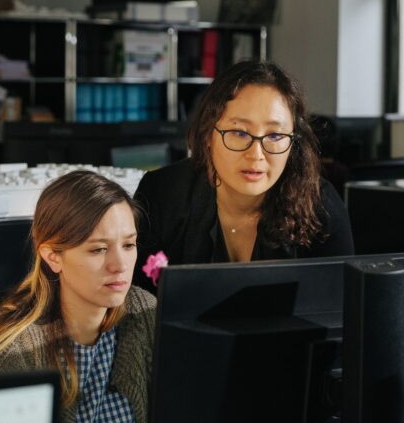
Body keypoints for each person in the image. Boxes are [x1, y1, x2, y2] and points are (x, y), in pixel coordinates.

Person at [0, 171, 155, 423]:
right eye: (98, 249)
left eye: (128, 245)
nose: (120, 264)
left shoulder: (144, 313)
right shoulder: (12, 356)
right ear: (53, 256)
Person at [133, 60, 354, 290]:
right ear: (208, 135)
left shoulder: (320, 205)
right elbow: (137, 302)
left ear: (293, 142)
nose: (256, 154)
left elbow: (339, 304)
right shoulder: (163, 193)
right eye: (239, 132)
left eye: (275, 136)